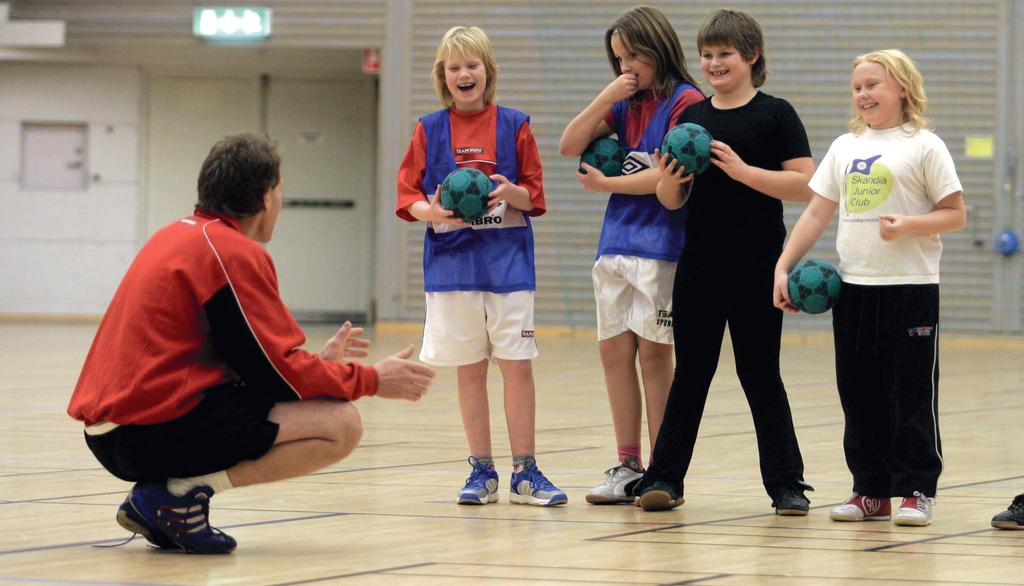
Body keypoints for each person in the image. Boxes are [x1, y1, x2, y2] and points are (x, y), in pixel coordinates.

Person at [67, 133, 435, 554]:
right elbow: (275, 373)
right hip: (142, 433)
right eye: (280, 191)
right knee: (340, 425)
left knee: (314, 404)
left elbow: (254, 363)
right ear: (265, 198)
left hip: (120, 427)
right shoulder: (229, 251)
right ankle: (178, 493)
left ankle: (169, 499)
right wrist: (371, 379)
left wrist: (318, 366)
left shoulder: (180, 236)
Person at [773, 49, 966, 527]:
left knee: (910, 393)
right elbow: (817, 212)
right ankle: (870, 490)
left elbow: (956, 214)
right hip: (854, 290)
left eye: (873, 84)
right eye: (857, 87)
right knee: (857, 391)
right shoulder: (844, 147)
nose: (863, 94)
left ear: (901, 87)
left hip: (910, 289)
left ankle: (917, 489)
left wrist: (909, 224)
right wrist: (783, 266)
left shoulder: (924, 145)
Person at [635, 8, 814, 514]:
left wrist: (742, 170)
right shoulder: (691, 119)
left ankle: (787, 485)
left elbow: (805, 184)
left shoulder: (777, 114)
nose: (714, 63)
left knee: (760, 373)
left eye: (724, 55)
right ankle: (664, 479)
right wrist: (669, 177)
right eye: (707, 56)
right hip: (700, 264)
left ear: (751, 56)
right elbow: (671, 200)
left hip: (759, 263)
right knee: (692, 371)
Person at [396, 26, 565, 506]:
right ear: (443, 77)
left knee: (516, 367)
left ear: (488, 73)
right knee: (469, 371)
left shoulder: (515, 125)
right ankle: (481, 472)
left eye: (472, 65)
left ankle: (526, 472)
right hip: (452, 270)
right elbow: (408, 198)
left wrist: (507, 191)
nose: (464, 74)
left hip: (509, 267)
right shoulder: (428, 129)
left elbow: (534, 195)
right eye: (454, 67)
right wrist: (432, 212)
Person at [557, 6, 704, 505]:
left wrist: (607, 184)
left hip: (662, 247)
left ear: (657, 48)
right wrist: (608, 94)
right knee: (613, 352)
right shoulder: (624, 101)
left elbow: (665, 175)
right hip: (615, 245)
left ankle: (665, 472)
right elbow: (569, 144)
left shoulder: (686, 101)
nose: (626, 68)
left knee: (655, 354)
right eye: (618, 59)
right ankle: (627, 464)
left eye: (633, 57)